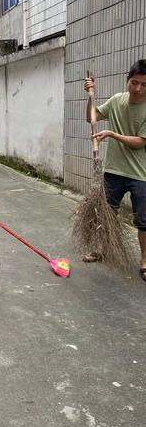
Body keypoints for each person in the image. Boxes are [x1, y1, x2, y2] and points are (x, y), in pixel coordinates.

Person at [84, 60, 146, 281]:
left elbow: (140, 142)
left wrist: (112, 134)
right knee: (106, 214)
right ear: (127, 80)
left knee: (143, 221)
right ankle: (102, 249)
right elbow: (91, 118)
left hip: (141, 175)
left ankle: (144, 261)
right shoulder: (117, 100)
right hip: (114, 171)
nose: (138, 88)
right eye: (134, 82)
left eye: (144, 85)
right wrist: (91, 96)